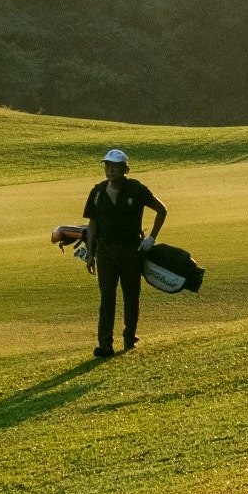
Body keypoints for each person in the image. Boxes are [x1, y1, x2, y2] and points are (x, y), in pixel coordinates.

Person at [79, 147, 166, 358]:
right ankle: (105, 345)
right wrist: (90, 253)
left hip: (131, 250)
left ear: (124, 169)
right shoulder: (98, 192)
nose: (110, 170)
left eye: (115, 166)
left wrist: (151, 237)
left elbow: (161, 210)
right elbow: (92, 224)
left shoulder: (136, 189)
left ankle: (129, 338)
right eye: (107, 166)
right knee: (106, 297)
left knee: (131, 295)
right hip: (106, 251)